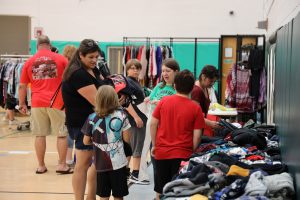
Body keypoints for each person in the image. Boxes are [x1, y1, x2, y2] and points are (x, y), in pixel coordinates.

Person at [18, 35, 70, 174]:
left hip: (37, 102)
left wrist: (21, 103)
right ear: (50, 44)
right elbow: (71, 79)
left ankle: (41, 166)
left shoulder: (29, 62)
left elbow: (22, 86)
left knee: (40, 135)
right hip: (57, 102)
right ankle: (62, 165)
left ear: (37, 46)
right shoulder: (61, 59)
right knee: (61, 134)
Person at [150, 69, 205, 200]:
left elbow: (153, 124)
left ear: (175, 86)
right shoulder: (196, 108)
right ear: (192, 88)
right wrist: (191, 149)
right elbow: (197, 136)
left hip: (162, 152)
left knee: (160, 190)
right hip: (183, 155)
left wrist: (155, 144)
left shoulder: (163, 101)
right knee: (179, 192)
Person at [62, 39, 102, 200]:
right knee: (82, 165)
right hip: (81, 125)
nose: (94, 60)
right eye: (91, 57)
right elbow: (98, 101)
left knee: (95, 163)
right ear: (81, 55)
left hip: (92, 124)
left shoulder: (93, 70)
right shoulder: (78, 74)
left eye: (96, 57)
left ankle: (90, 196)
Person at [82, 85, 131, 200]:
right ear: (115, 98)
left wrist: (97, 141)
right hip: (119, 163)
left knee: (103, 195)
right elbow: (127, 139)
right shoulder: (122, 115)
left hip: (101, 163)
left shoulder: (91, 118)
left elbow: (85, 141)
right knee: (118, 195)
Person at [138, 58, 180, 184]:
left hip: (168, 127)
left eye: (168, 71)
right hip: (154, 123)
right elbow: (151, 97)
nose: (165, 74)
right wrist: (147, 99)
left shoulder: (178, 88)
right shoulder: (159, 86)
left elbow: (179, 103)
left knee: (165, 156)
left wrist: (162, 102)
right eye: (162, 71)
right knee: (151, 150)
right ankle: (151, 179)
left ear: (176, 72)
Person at [125, 59, 148, 184]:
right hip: (135, 120)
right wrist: (136, 117)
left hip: (138, 118)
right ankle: (135, 174)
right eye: (132, 68)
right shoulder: (128, 82)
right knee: (137, 147)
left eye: (137, 68)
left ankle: (126, 171)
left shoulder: (135, 82)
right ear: (127, 69)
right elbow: (126, 102)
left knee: (131, 146)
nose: (135, 70)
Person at [191, 65, 222, 129]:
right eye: (211, 81)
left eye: (214, 82)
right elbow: (194, 115)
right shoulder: (196, 91)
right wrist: (210, 123)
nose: (212, 83)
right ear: (203, 77)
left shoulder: (205, 88)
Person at [62, 45, 77, 167]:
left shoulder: (62, 65)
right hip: (73, 104)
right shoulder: (75, 68)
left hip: (62, 104)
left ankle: (67, 158)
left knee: (67, 133)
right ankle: (75, 158)